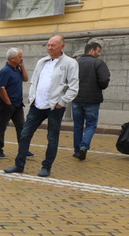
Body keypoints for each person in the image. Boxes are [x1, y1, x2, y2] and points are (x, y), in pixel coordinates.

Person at [4, 35, 80, 178]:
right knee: (25, 134)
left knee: (52, 137)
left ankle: (46, 166)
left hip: (54, 107)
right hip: (37, 105)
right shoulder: (42, 62)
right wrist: (32, 99)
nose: (50, 48)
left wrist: (61, 103)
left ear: (62, 46)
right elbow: (33, 82)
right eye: (48, 45)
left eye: (54, 45)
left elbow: (73, 87)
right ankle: (19, 164)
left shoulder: (70, 63)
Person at [71, 41, 110, 160]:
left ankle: (77, 151)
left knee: (77, 125)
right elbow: (104, 81)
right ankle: (84, 146)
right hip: (92, 100)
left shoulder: (75, 63)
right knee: (91, 125)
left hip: (76, 99)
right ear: (92, 51)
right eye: (98, 51)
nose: (99, 54)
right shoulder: (98, 63)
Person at [0, 48, 29, 159]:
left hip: (18, 105)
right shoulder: (5, 71)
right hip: (7, 105)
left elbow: (26, 79)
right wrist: (8, 104)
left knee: (21, 127)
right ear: (12, 59)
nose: (22, 59)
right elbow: (0, 87)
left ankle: (23, 149)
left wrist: (22, 67)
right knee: (2, 127)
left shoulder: (17, 69)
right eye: (20, 57)